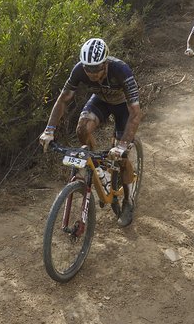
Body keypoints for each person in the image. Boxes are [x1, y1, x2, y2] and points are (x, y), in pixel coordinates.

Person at [39, 38, 143, 222]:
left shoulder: (121, 70)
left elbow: (135, 113)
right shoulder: (79, 69)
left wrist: (122, 145)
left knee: (122, 157)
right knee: (81, 129)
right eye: (88, 68)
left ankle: (128, 201)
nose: (91, 73)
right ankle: (98, 168)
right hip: (100, 102)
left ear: (105, 62)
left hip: (123, 107)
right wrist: (49, 130)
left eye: (96, 69)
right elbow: (63, 99)